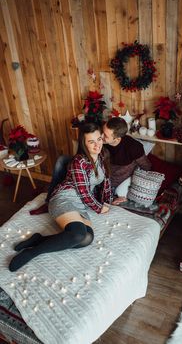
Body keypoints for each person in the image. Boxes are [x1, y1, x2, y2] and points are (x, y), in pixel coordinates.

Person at [9, 122, 112, 272]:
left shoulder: (102, 157)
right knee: (78, 234)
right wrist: (99, 208)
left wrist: (108, 202)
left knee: (87, 239)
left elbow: (106, 181)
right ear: (83, 144)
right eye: (91, 142)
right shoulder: (79, 161)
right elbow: (83, 192)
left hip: (80, 205)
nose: (97, 145)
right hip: (64, 197)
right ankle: (32, 252)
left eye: (99, 139)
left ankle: (38, 240)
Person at [29, 116, 151, 214]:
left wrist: (129, 192)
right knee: (62, 160)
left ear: (117, 139)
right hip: (92, 170)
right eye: (102, 132)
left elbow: (147, 167)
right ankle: (49, 199)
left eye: (105, 136)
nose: (101, 137)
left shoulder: (133, 148)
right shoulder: (100, 140)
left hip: (108, 181)